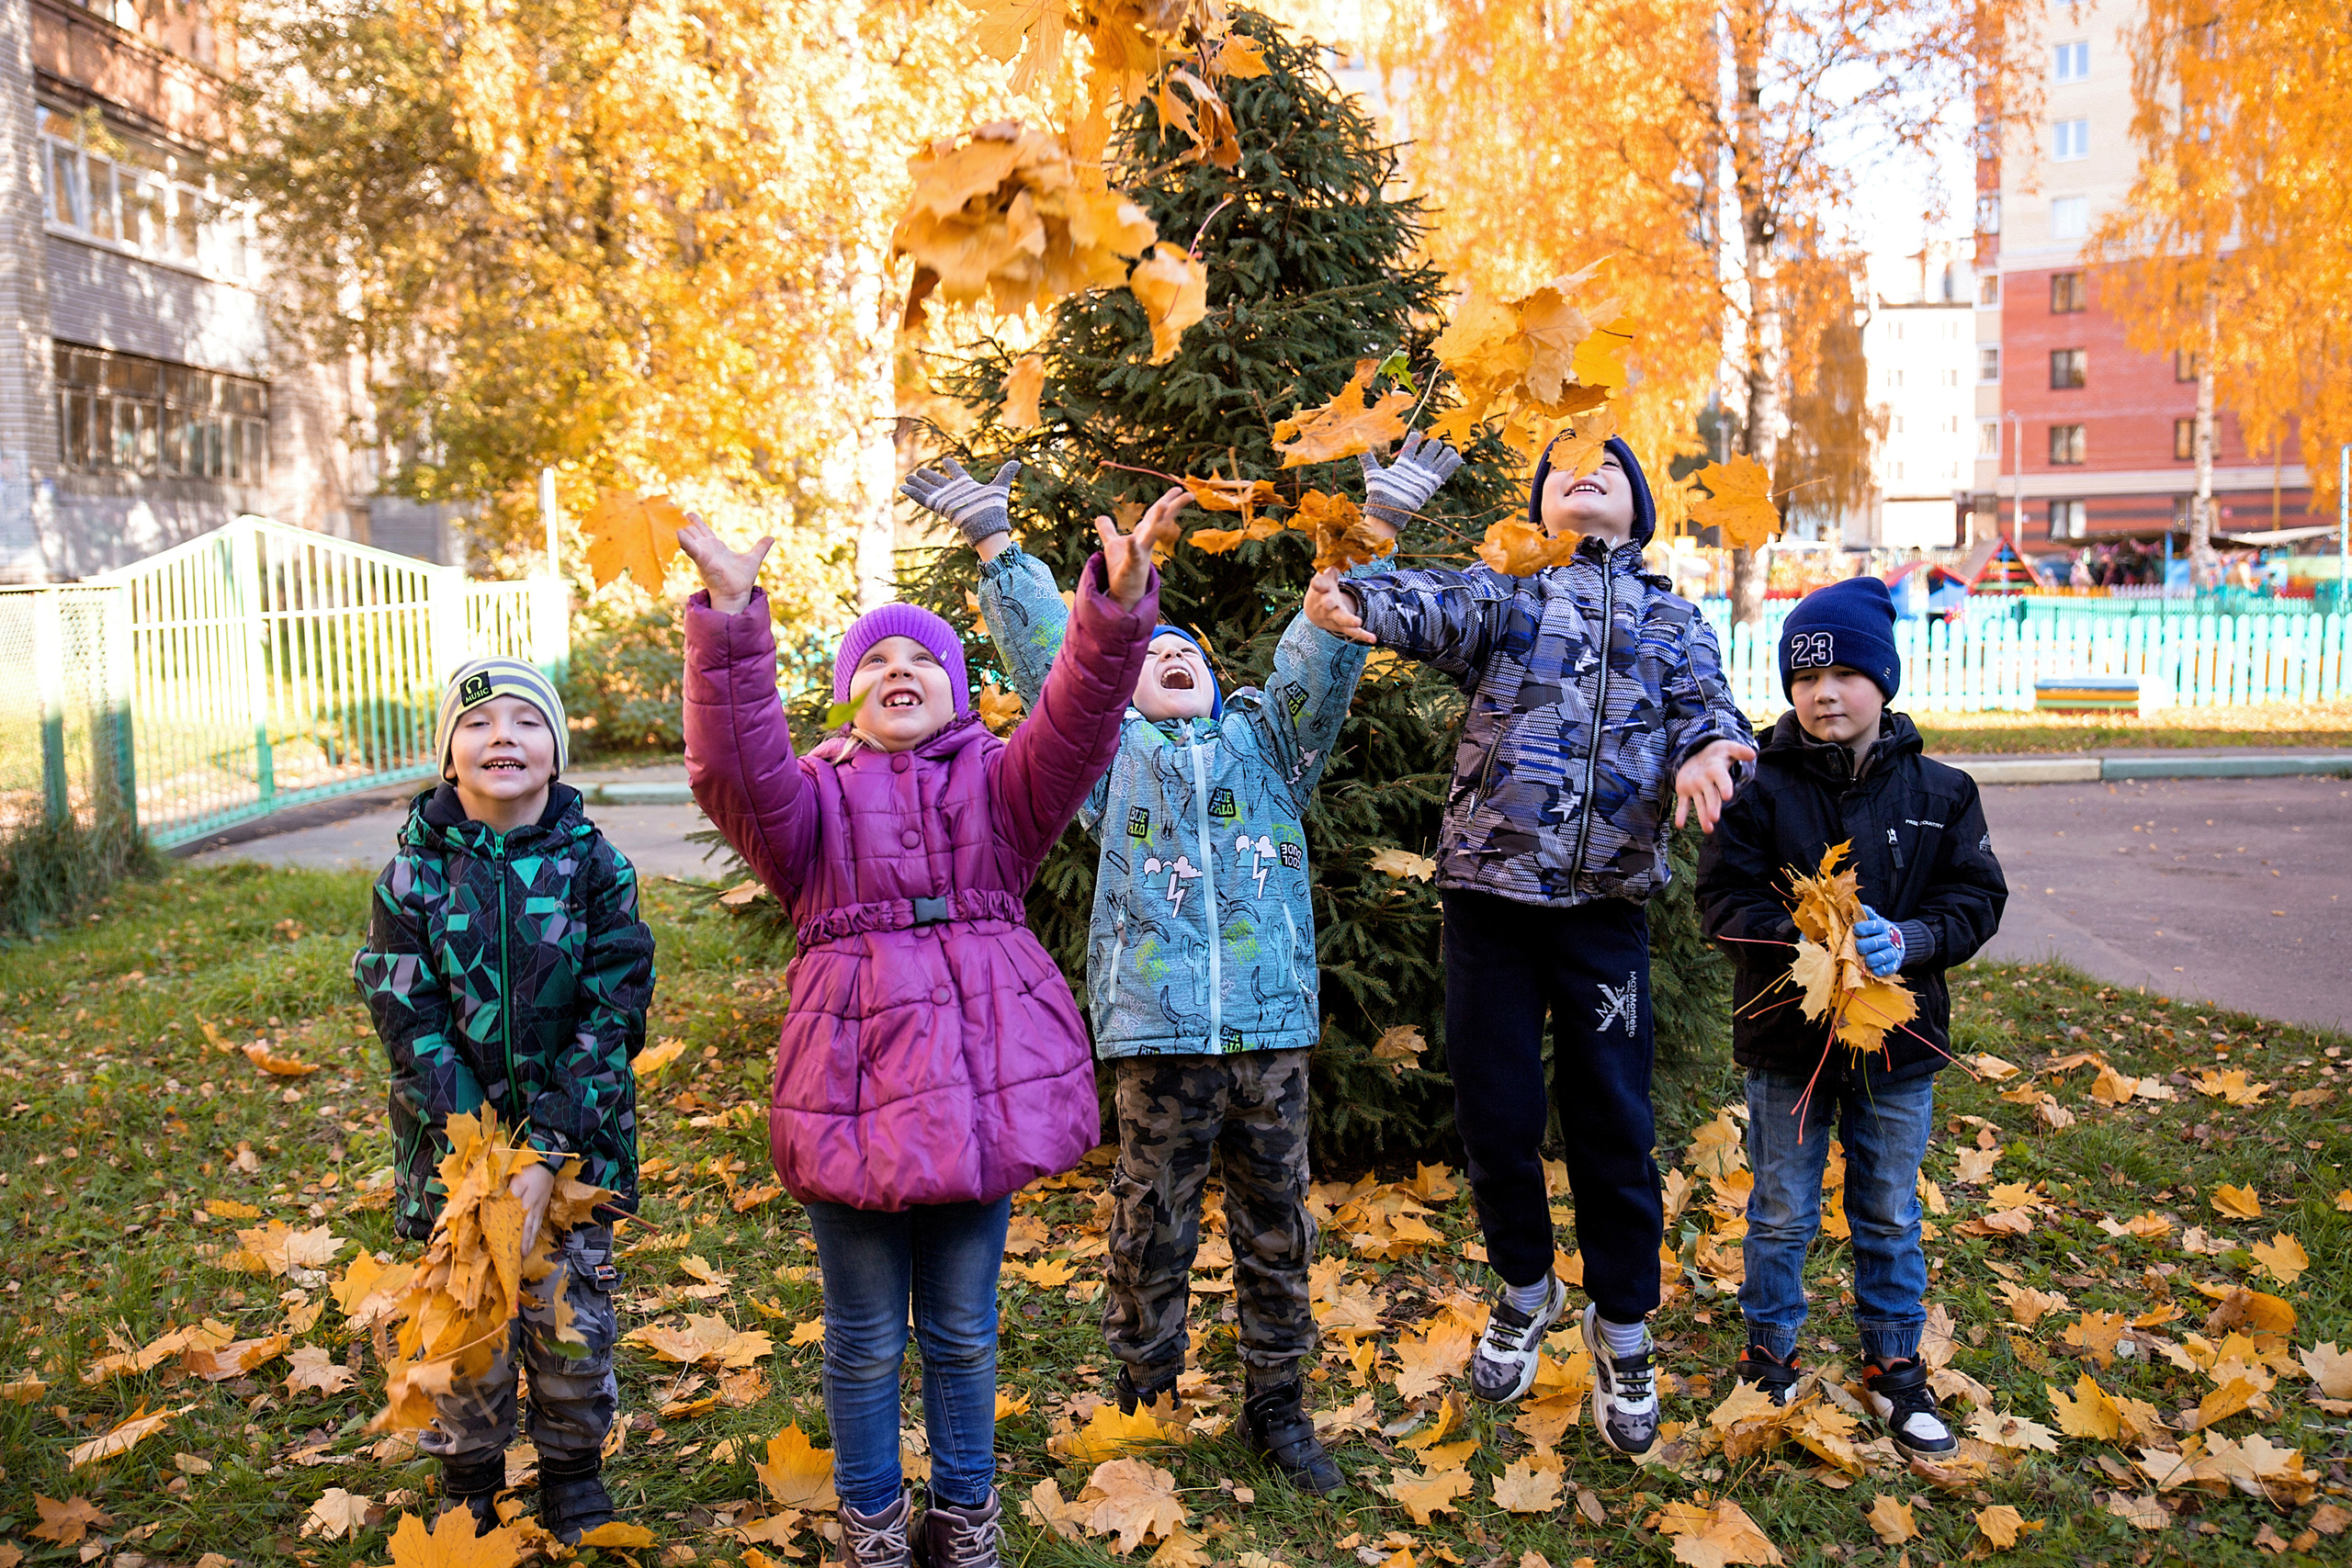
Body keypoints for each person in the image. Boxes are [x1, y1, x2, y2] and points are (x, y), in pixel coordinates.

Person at [900, 439, 1465, 1495]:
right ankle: (1143, 1397)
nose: (1169, 655)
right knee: (1147, 1223)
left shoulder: (1268, 747)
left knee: (1277, 1228)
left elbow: (1321, 645)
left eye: (1189, 653)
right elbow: (1054, 662)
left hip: (1270, 1039)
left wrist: (1373, 531)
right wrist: (995, 543)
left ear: (1220, 682)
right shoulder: (1106, 757)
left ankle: (1277, 1408)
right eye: (1151, 650)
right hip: (1158, 1039)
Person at [676, 501, 1169, 1568]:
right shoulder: (804, 809)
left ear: (955, 689)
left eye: (923, 659)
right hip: (849, 1097)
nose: (899, 670)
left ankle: (964, 1512)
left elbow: (1079, 718)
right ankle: (872, 1523)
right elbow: (732, 765)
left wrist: (1116, 612)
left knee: (961, 1328)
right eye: (875, 660)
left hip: (978, 1096)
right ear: (848, 692)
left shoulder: (1003, 788)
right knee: (859, 1340)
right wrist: (728, 616)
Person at [1302, 430, 1757, 1458]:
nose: (1580, 472)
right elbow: (1385, 605)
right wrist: (1373, 540)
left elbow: (1707, 709)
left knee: (1611, 1119)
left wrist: (1716, 751)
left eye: (1604, 464)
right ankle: (1524, 1287)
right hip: (1489, 902)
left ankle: (1623, 1323)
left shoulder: (1672, 616)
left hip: (1606, 909)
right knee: (1497, 1115)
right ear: (1539, 506)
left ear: (1638, 506)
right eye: (1559, 467)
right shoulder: (1507, 593)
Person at [1693, 575, 2007, 1460]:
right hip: (1785, 1042)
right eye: (1803, 678)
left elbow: (1976, 901)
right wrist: (1802, 937)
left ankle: (1894, 1367)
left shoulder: (1943, 792)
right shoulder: (1756, 788)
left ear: (1885, 679)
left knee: (1887, 1208)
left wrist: (1905, 939)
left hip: (1898, 1046)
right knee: (1781, 1208)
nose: (1823, 693)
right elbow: (1717, 899)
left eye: (1844, 675)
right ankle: (1768, 1360)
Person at [353, 657, 657, 1543]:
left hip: (574, 1160)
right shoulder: (410, 877)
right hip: (456, 1163)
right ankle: (470, 1476)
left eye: (527, 723)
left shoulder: (598, 869)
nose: (503, 739)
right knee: (469, 1327)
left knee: (570, 1329)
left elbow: (614, 1013)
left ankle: (571, 1467)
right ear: (449, 756)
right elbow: (408, 1017)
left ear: (556, 754)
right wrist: (482, 1159)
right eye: (479, 724)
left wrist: (547, 1150)